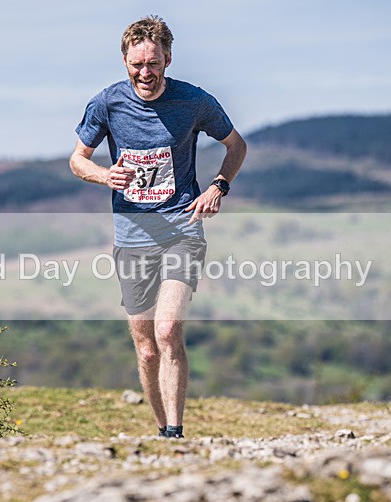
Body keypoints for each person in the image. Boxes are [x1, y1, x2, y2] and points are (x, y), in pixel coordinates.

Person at [69, 15, 246, 439]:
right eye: (136, 65)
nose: (145, 73)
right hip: (131, 238)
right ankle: (161, 427)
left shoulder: (194, 102)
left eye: (153, 63)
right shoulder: (106, 104)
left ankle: (176, 433)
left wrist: (219, 185)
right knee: (146, 349)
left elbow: (235, 145)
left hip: (182, 227)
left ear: (167, 57)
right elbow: (77, 159)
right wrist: (103, 175)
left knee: (167, 331)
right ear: (125, 61)